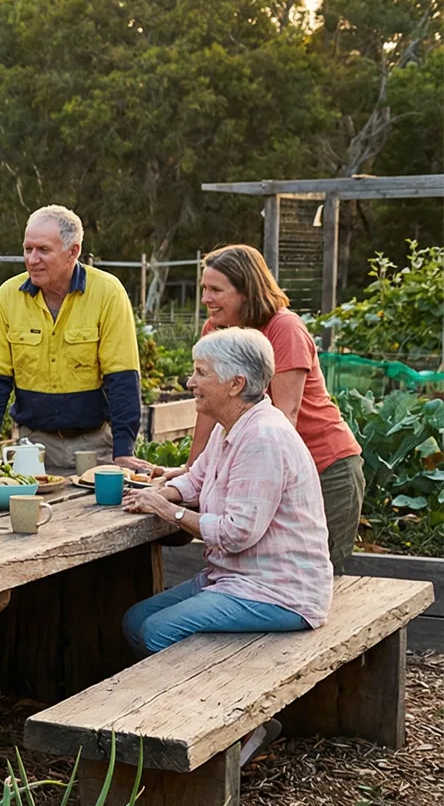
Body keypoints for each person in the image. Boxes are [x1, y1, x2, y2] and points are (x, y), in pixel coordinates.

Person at [122, 328, 330, 765]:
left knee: (160, 631)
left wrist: (168, 511)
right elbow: (197, 478)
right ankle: (193, 717)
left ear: (236, 384)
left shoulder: (263, 438)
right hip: (237, 578)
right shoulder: (231, 426)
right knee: (135, 619)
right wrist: (168, 491)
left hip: (280, 591)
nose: (190, 381)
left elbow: (238, 532)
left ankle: (230, 727)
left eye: (200, 373)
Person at [188, 244, 364, 571]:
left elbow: (286, 416)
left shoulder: (284, 328)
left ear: (246, 291)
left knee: (317, 577)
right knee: (266, 577)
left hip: (326, 468)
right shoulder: (216, 330)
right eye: (203, 288)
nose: (205, 299)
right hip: (266, 469)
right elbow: (208, 410)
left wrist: (238, 471)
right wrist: (193, 471)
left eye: (215, 290)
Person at [0, 205, 147, 472]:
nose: (32, 259)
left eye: (43, 250)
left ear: (73, 251)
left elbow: (122, 378)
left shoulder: (107, 293)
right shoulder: (8, 296)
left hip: (96, 444)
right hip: (34, 445)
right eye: (28, 249)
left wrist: (123, 451)